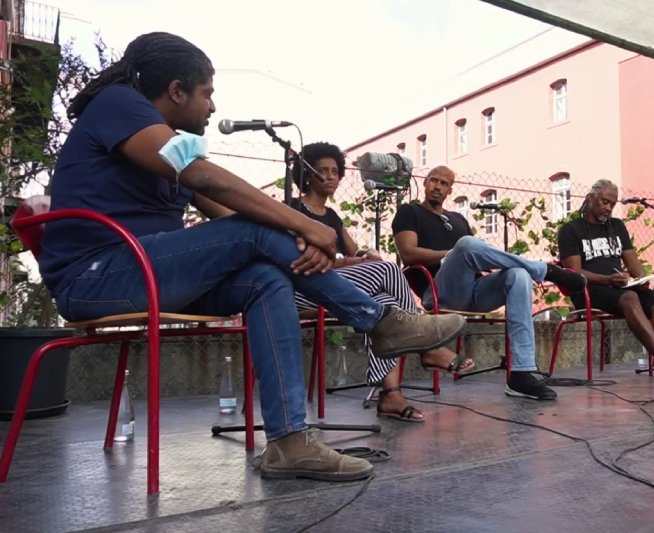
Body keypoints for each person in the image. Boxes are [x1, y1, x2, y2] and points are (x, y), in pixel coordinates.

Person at [38, 32, 467, 482]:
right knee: (260, 234)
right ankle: (381, 323)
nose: (212, 107)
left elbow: (223, 209)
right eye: (207, 93)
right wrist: (306, 226)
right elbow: (209, 180)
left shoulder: (173, 141)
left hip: (146, 274)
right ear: (177, 90)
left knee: (266, 277)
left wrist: (299, 244)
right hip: (96, 277)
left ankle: (289, 443)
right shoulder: (119, 105)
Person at [290, 142, 475, 422]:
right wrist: (348, 263)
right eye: (321, 171)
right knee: (388, 270)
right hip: (302, 288)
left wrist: (365, 254)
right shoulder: (293, 209)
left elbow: (354, 254)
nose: (330, 176)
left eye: (335, 171)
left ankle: (390, 396)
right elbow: (296, 259)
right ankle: (428, 348)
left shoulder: (332, 217)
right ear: (306, 174)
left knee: (384, 303)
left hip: (333, 289)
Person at [392, 165, 587, 400]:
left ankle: (521, 374)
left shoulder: (458, 219)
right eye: (434, 181)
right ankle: (545, 269)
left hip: (474, 291)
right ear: (425, 183)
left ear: (450, 191)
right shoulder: (409, 212)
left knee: (518, 275)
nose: (438, 187)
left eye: (444, 184)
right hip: (437, 291)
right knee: (465, 245)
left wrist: (469, 256)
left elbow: (476, 259)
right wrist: (452, 254)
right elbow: (408, 254)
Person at [557, 180, 654, 386]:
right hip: (588, 291)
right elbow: (574, 272)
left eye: (612, 204)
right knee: (630, 298)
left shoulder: (616, 226)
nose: (608, 207)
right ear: (590, 199)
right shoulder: (570, 230)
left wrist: (641, 279)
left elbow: (633, 263)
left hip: (619, 288)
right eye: (605, 202)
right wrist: (608, 279)